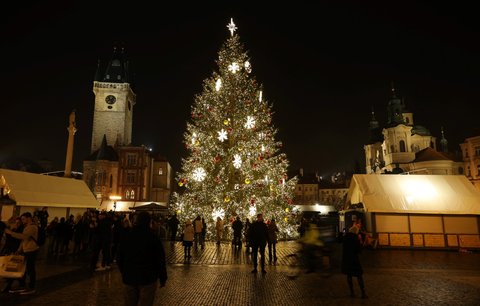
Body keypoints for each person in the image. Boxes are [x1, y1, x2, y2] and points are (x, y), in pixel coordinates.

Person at [118, 211, 167, 306]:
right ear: (149, 222)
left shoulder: (128, 236)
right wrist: (162, 277)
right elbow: (160, 259)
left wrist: (124, 271)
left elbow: (119, 256)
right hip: (147, 278)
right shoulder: (153, 238)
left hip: (130, 277)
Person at [4, 212, 40, 295]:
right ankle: (23, 285)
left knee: (30, 269)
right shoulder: (26, 227)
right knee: (25, 268)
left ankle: (31, 287)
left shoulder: (32, 227)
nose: (22, 221)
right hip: (26, 250)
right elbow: (24, 240)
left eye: (24, 219)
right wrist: (19, 249)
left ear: (29, 218)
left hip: (31, 250)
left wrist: (11, 233)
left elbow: (23, 237)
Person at [341, 225, 367, 299]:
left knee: (349, 276)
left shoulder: (345, 238)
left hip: (346, 260)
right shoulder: (355, 238)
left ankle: (352, 292)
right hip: (354, 260)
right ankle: (363, 293)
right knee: (359, 275)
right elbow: (358, 250)